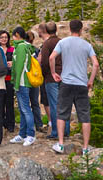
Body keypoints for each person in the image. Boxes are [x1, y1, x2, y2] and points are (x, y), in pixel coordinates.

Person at [49, 19, 99, 155]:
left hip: (66, 83)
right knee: (84, 116)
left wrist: (54, 73)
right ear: (81, 30)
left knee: (61, 114)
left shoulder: (63, 42)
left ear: (70, 29)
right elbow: (95, 64)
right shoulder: (87, 45)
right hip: (82, 84)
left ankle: (60, 144)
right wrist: (91, 81)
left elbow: (51, 58)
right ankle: (85, 148)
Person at [40, 21, 70, 139]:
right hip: (64, 76)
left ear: (46, 31)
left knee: (54, 105)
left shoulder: (47, 44)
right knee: (64, 104)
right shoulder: (62, 42)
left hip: (51, 78)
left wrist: (45, 74)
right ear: (56, 29)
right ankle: (66, 130)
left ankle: (56, 132)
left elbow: (45, 62)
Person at [9, 26, 36, 146]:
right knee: (23, 108)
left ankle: (30, 134)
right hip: (25, 81)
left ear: (17, 35)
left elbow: (19, 67)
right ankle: (22, 134)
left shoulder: (20, 47)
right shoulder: (26, 46)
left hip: (22, 82)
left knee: (25, 109)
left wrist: (15, 83)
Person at [0, 30, 15, 133]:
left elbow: (17, 61)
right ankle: (1, 123)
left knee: (9, 102)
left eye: (6, 37)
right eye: (2, 37)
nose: (4, 39)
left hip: (9, 79)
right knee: (0, 103)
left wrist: (13, 63)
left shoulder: (12, 49)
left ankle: (11, 124)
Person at [26, 30, 44, 133]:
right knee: (35, 103)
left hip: (25, 78)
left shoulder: (21, 49)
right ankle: (39, 124)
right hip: (35, 79)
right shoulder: (36, 50)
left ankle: (29, 125)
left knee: (25, 104)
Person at [37, 23, 51, 128]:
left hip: (47, 76)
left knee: (46, 101)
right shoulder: (59, 42)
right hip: (58, 76)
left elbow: (42, 61)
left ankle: (51, 122)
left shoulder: (45, 45)